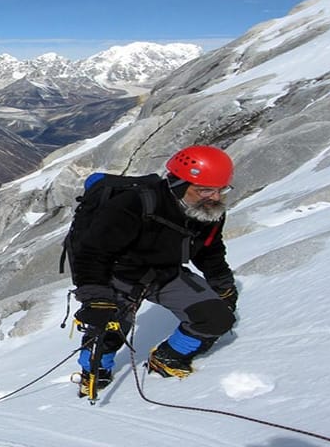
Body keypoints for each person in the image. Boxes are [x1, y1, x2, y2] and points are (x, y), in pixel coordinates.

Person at [69, 145, 238, 396]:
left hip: (165, 274)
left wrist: (222, 283)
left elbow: (209, 249)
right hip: (119, 276)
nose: (214, 197)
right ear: (179, 184)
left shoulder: (207, 211)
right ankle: (95, 373)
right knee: (107, 332)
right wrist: (95, 298)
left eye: (220, 190)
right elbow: (91, 252)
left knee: (217, 319)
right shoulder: (133, 205)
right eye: (205, 190)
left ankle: (168, 358)